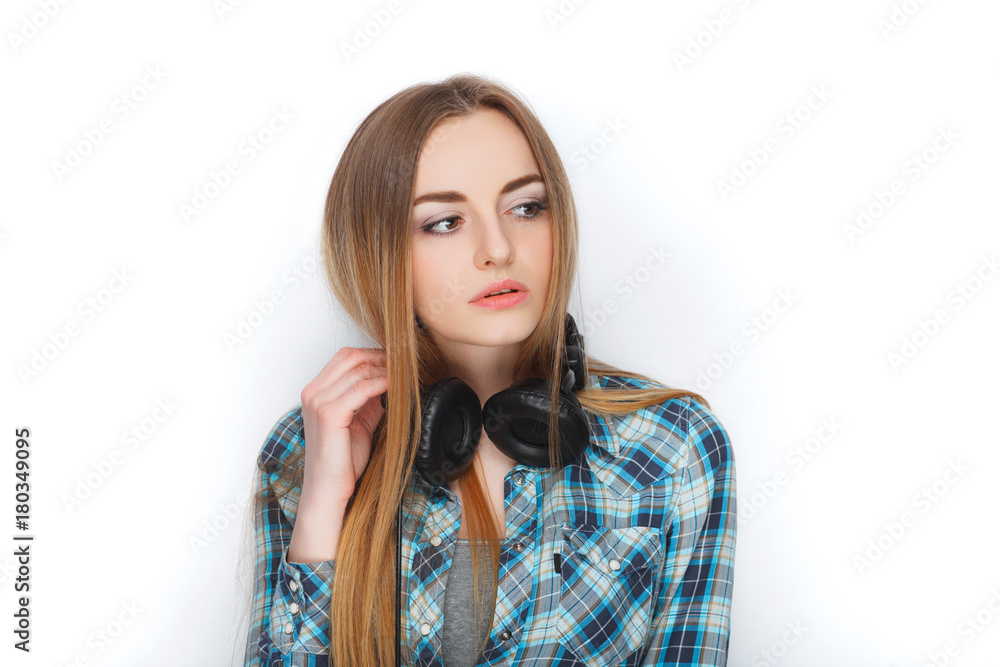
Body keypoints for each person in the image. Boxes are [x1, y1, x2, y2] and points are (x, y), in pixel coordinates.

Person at [243, 73, 737, 666]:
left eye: (526, 207)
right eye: (445, 222)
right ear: (380, 253)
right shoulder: (306, 448)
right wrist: (326, 503)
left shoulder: (670, 445)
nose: (498, 247)